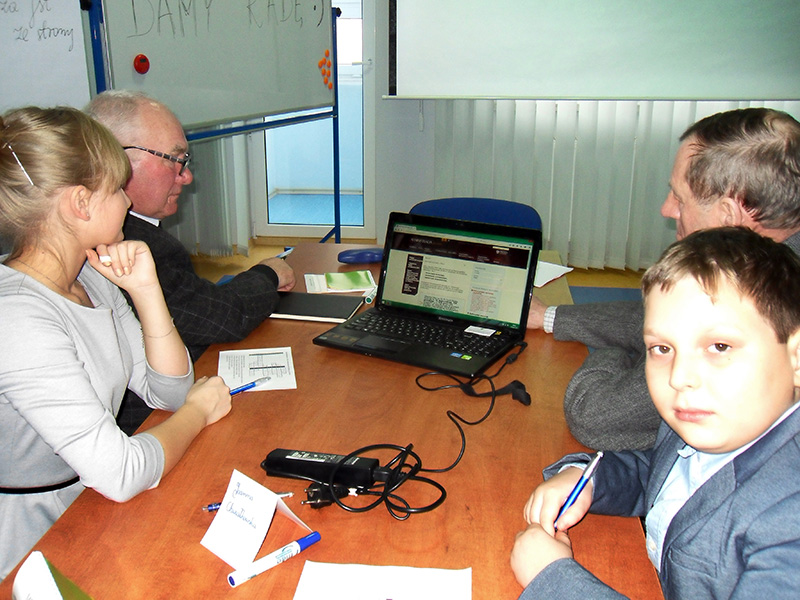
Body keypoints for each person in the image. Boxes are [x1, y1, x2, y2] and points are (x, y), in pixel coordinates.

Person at [0, 106, 233, 580]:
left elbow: (168, 391)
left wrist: (146, 291)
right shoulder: (19, 318)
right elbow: (122, 472)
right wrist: (198, 412)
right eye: (116, 189)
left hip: (84, 508)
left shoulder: (88, 275)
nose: (127, 202)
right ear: (80, 203)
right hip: (25, 547)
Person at [512, 227, 800, 598]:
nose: (679, 377)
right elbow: (660, 473)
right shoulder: (713, 423)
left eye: (719, 346)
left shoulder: (788, 524)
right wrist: (588, 478)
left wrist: (554, 580)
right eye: (662, 349)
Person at [527, 107, 800, 450]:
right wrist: (549, 316)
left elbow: (596, 416)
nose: (667, 210)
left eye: (680, 198)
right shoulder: (766, 263)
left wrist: (612, 353)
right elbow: (653, 319)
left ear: (729, 218)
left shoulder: (756, 297)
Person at [86, 90, 295, 433]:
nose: (186, 176)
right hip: (144, 427)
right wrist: (268, 273)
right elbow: (224, 318)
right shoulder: (131, 245)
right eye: (173, 159)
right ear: (116, 162)